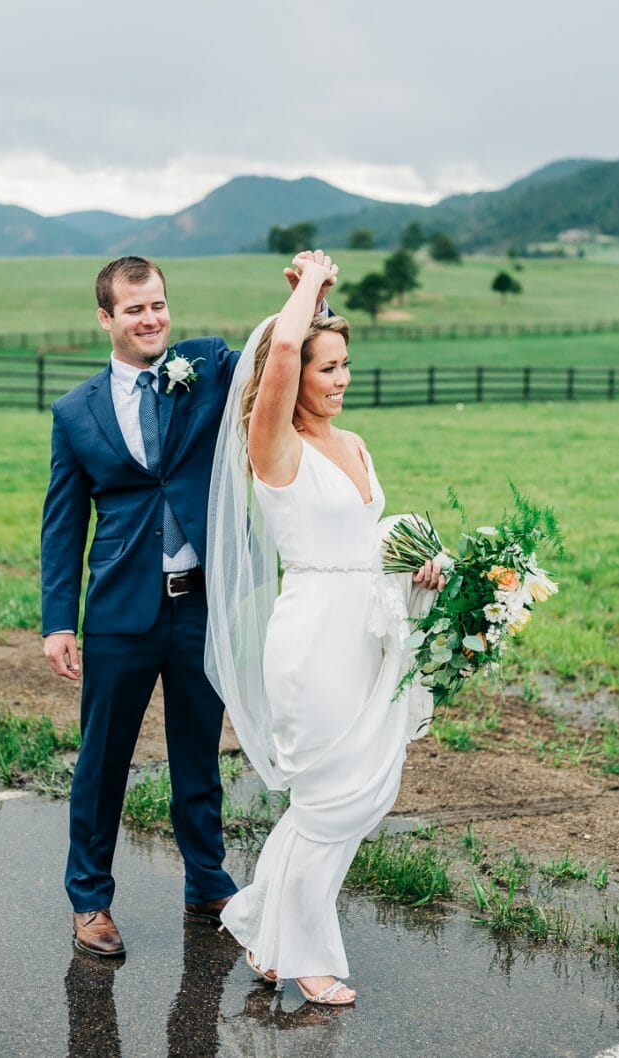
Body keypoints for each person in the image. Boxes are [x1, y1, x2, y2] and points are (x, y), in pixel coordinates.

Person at [41, 255, 332, 958]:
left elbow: (277, 359)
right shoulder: (76, 411)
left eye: (159, 306)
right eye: (135, 309)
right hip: (117, 612)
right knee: (101, 762)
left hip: (200, 606)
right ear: (106, 318)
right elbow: (62, 522)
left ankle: (206, 882)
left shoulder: (203, 366)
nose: (151, 319)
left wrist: (310, 299)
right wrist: (57, 620)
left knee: (197, 758)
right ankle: (90, 901)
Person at [205, 253, 445, 1005]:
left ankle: (257, 921)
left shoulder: (355, 443)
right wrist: (309, 281)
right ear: (292, 377)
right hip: (310, 641)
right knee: (329, 801)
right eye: (326, 368)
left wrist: (419, 566)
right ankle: (305, 954)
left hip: (365, 635)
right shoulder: (272, 447)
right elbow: (280, 346)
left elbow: (365, 545)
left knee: (356, 797)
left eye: (345, 364)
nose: (340, 379)